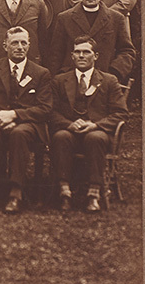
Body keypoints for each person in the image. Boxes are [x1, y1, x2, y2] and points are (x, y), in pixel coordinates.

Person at [49, 35, 128, 213]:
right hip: (70, 131)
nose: (82, 56)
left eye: (86, 52)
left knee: (95, 138)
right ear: (72, 55)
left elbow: (121, 113)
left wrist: (96, 125)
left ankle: (94, 194)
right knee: (60, 136)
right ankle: (64, 192)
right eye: (77, 52)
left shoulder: (108, 81)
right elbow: (51, 112)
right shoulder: (60, 81)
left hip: (97, 132)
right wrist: (68, 124)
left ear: (96, 56)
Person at [0, 27, 52, 213]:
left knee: (19, 133)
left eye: (23, 43)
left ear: (29, 45)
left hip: (28, 123)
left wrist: (15, 115)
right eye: (14, 43)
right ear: (5, 45)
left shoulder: (41, 73)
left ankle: (15, 192)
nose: (19, 47)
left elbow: (45, 108)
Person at [48, 0, 135, 80]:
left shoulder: (116, 18)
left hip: (104, 80)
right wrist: (58, 79)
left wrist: (114, 73)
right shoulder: (65, 18)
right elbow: (55, 54)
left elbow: (127, 51)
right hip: (72, 80)